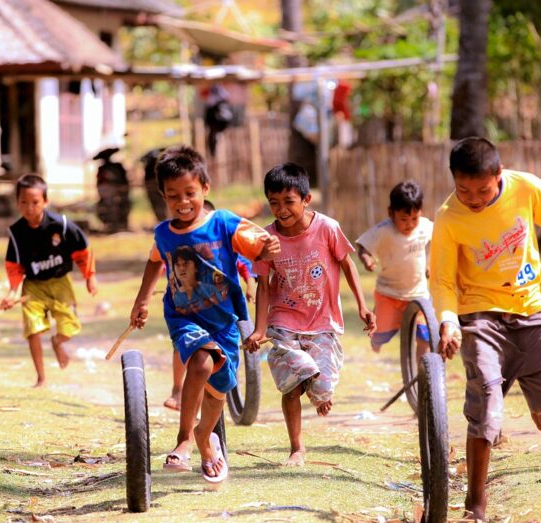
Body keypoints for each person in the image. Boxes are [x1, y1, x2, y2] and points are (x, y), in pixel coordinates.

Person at [430, 137, 541, 521]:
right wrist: (448, 321)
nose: (473, 198)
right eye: (463, 190)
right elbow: (442, 280)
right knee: (486, 409)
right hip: (481, 313)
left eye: (482, 190)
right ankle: (475, 503)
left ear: (499, 175)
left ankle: (533, 386)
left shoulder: (525, 187)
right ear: (453, 181)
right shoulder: (448, 217)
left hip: (533, 305)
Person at [130, 145, 280, 482]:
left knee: (218, 391)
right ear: (163, 197)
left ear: (205, 189)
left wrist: (267, 247)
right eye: (173, 196)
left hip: (224, 322)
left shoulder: (223, 223)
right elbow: (155, 260)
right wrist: (141, 301)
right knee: (200, 362)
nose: (182, 202)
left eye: (190, 193)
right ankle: (184, 439)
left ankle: (204, 437)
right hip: (184, 317)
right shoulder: (163, 234)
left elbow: (258, 242)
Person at [245, 163, 376, 467]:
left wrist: (362, 305)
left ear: (305, 200)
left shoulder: (327, 228)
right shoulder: (267, 239)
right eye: (273, 203)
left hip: (322, 320)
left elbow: (347, 264)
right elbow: (262, 285)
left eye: (288, 202)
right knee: (295, 381)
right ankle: (296, 448)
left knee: (323, 385)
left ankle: (320, 391)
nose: (281, 210)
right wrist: (259, 328)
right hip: (284, 319)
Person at [1, 174, 98, 387]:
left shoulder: (61, 225)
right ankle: (41, 377)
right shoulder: (16, 233)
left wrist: (90, 277)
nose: (29, 208)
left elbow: (83, 250)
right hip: (33, 287)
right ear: (17, 203)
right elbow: (15, 268)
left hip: (60, 283)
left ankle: (57, 342)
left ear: (45, 201)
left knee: (69, 327)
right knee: (32, 330)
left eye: (35, 202)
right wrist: (11, 294)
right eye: (23, 202)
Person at [163, 200, 257, 412]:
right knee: (181, 347)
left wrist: (250, 286)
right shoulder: (183, 247)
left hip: (219, 311)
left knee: (217, 360)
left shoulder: (225, 238)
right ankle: (177, 389)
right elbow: (167, 266)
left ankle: (214, 392)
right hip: (190, 311)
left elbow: (246, 267)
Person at [356, 181, 432, 360]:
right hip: (389, 294)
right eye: (404, 220)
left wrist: (431, 264)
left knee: (424, 337)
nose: (410, 224)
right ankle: (376, 340)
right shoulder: (384, 231)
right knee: (381, 335)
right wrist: (367, 259)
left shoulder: (425, 226)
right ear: (391, 214)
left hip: (418, 293)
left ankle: (425, 374)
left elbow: (441, 240)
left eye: (414, 218)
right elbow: (363, 246)